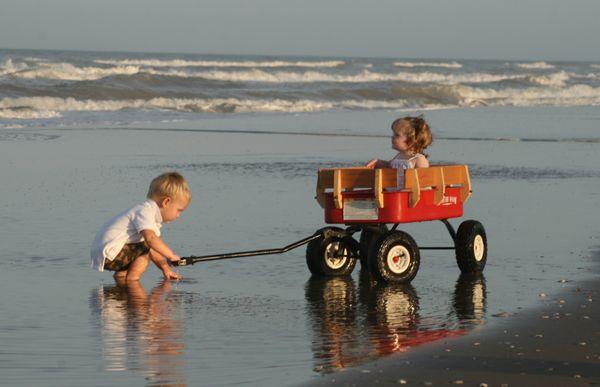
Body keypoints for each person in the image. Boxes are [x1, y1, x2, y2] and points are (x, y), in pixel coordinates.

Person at [90, 172, 191, 282]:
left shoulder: (147, 214)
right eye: (179, 210)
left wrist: (165, 269)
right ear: (166, 202)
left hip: (109, 252)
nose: (178, 215)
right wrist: (171, 255)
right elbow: (151, 240)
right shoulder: (145, 211)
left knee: (144, 248)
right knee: (145, 250)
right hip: (110, 252)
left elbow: (153, 248)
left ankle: (121, 280)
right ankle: (132, 281)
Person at [366, 116, 432, 188]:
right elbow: (390, 166)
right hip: (395, 193)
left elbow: (424, 181)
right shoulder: (399, 156)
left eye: (397, 135)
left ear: (412, 140)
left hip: (414, 195)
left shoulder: (419, 159)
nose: (392, 137)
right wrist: (379, 162)